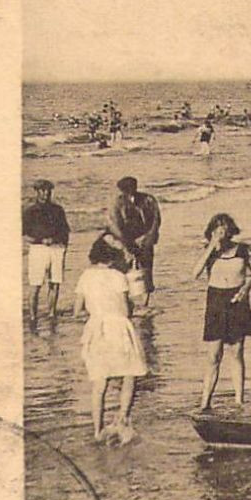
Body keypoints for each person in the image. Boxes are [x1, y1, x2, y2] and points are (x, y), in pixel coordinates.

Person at [74, 237, 148, 443]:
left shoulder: (85, 276)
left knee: (99, 384)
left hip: (96, 329)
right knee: (129, 374)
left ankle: (97, 431)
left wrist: (96, 311)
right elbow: (125, 310)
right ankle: (122, 418)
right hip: (118, 328)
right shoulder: (118, 276)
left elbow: (76, 310)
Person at [194, 213, 251, 411]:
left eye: (224, 228)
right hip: (216, 301)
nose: (221, 232)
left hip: (237, 299)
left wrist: (246, 288)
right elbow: (194, 273)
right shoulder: (209, 252)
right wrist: (210, 248)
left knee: (237, 351)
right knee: (213, 355)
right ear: (211, 231)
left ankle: (239, 400)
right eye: (216, 228)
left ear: (230, 230)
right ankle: (205, 402)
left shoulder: (243, 250)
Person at [107, 176, 162, 310]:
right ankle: (127, 300)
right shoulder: (118, 203)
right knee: (125, 270)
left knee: (147, 268)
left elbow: (156, 220)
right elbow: (115, 224)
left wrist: (147, 238)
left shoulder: (148, 200)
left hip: (145, 239)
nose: (130, 191)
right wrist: (126, 243)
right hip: (127, 240)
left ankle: (145, 301)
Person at [23, 179, 70, 326]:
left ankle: (51, 313)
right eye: (42, 191)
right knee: (35, 284)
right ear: (36, 192)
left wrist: (64, 247)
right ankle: (32, 316)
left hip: (57, 248)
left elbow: (65, 231)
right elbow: (24, 235)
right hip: (38, 249)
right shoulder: (30, 211)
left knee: (55, 283)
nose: (45, 193)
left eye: (48, 190)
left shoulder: (58, 210)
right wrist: (40, 240)